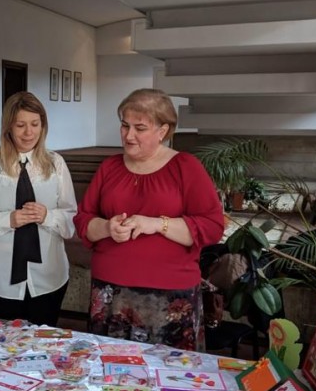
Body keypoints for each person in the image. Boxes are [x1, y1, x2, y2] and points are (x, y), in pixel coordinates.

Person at [74, 88, 224, 350]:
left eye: (139, 128)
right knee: (110, 374)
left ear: (162, 131)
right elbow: (83, 220)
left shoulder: (185, 167)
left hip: (168, 297)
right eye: (124, 125)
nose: (128, 135)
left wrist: (156, 224)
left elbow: (212, 227)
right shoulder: (110, 167)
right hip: (111, 292)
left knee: (170, 378)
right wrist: (108, 228)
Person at [0, 91, 77, 326]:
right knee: (3, 350)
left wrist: (48, 216)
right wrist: (7, 220)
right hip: (0, 280)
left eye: (35, 124)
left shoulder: (56, 164)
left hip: (48, 278)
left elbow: (71, 220)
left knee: (45, 344)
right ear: (8, 127)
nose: (28, 132)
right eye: (20, 125)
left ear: (43, 126)